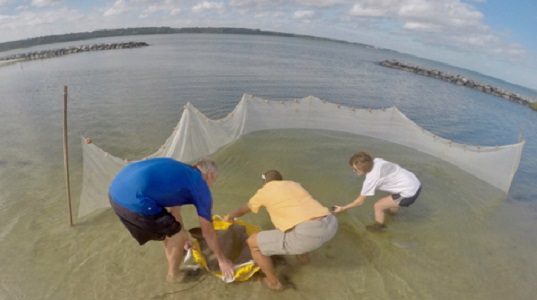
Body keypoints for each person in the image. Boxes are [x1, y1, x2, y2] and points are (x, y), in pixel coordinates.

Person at [108, 157, 234, 282]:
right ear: (210, 175)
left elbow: (175, 211)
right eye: (214, 180)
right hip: (133, 201)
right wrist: (222, 260)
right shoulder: (201, 187)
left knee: (172, 232)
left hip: (116, 190)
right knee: (177, 236)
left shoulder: (181, 171)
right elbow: (208, 232)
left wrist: (182, 235)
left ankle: (175, 254)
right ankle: (173, 276)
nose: (211, 185)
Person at [224, 170, 338, 290]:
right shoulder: (294, 184)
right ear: (281, 180)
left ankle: (274, 283)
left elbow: (244, 209)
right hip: (330, 223)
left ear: (264, 183)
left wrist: (229, 217)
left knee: (253, 243)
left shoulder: (265, 191)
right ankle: (305, 261)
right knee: (293, 229)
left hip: (307, 233)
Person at [333, 151, 422, 232]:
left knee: (378, 206)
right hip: (415, 182)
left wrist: (343, 208)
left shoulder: (371, 179)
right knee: (390, 197)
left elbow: (359, 202)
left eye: (355, 169)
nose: (353, 171)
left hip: (409, 193)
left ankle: (379, 226)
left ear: (363, 169)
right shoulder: (377, 160)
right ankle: (392, 214)